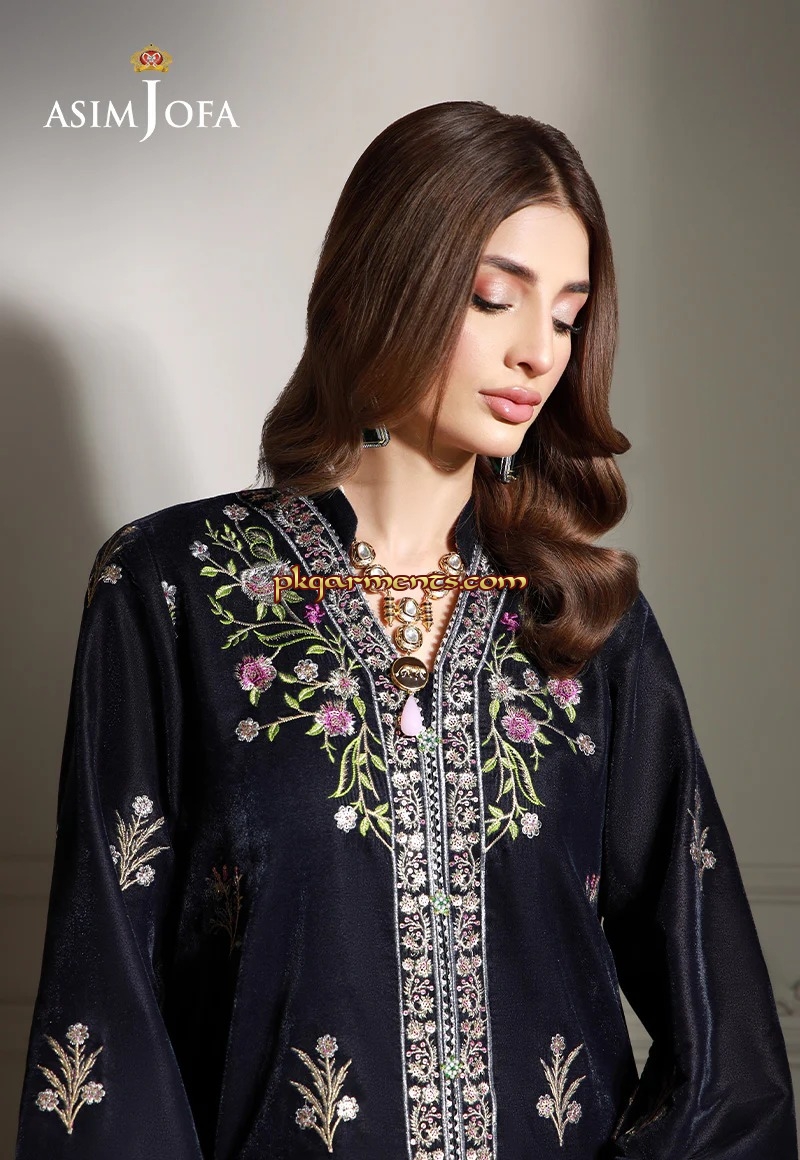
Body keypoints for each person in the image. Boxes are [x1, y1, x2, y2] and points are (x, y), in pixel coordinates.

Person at [14, 101, 797, 1159]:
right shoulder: (173, 589)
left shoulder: (579, 619)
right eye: (493, 298)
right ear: (384, 283)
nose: (538, 351)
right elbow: (103, 1017)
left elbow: (730, 1045)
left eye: (568, 317)